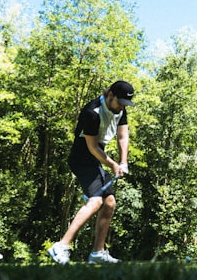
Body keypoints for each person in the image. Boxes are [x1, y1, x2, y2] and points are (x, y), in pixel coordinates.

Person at [48, 80, 134, 264]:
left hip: (95, 157)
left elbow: (122, 135)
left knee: (109, 203)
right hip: (82, 156)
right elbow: (92, 147)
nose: (122, 107)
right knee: (96, 201)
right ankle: (61, 246)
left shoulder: (120, 109)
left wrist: (123, 161)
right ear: (110, 95)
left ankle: (97, 253)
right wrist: (113, 165)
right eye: (120, 102)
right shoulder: (92, 112)